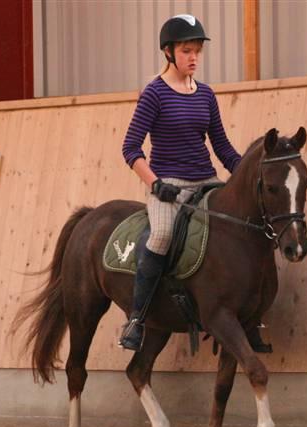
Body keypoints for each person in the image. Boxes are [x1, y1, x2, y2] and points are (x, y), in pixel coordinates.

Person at [118, 14, 268, 353]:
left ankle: (250, 316)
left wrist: (246, 174)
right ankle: (137, 319)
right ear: (169, 52)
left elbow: (222, 146)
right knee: (160, 235)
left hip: (207, 180)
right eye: (187, 51)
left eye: (197, 51)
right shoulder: (154, 94)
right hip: (169, 184)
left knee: (243, 227)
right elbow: (130, 148)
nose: (194, 58)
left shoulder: (205, 94)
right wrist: (155, 184)